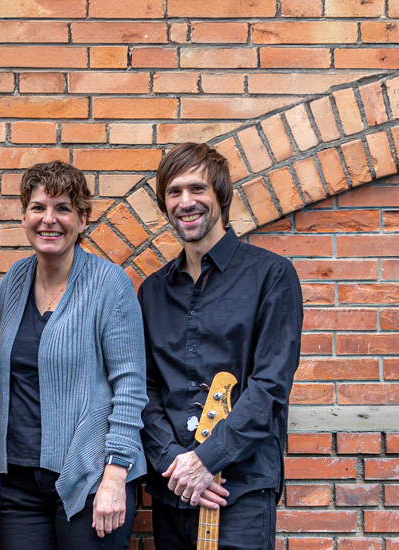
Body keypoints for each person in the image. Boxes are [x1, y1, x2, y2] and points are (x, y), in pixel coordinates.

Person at [0, 160, 148, 550]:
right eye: (38, 207)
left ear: (82, 220)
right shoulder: (15, 281)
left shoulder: (109, 284)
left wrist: (115, 474)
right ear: (24, 216)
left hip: (91, 477)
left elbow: (131, 387)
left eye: (63, 208)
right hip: (20, 482)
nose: (49, 219)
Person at [138, 143, 303, 550]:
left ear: (222, 196)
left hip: (239, 491)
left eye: (197, 189)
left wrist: (206, 460)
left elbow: (270, 387)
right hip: (172, 489)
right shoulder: (153, 291)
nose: (185, 202)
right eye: (174, 192)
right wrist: (175, 463)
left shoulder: (272, 276)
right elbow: (144, 388)